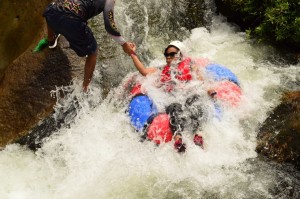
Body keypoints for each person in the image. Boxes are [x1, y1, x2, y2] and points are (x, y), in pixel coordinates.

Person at [129, 41, 215, 152]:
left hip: (188, 96)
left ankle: (198, 135)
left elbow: (201, 81)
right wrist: (132, 53)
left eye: (172, 54)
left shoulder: (190, 67)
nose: (168, 57)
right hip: (174, 99)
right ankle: (178, 139)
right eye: (166, 54)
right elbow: (144, 71)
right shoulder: (161, 70)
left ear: (180, 55)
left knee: (195, 101)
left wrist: (209, 90)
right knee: (174, 107)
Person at [42, 0, 133, 92]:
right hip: (72, 20)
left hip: (51, 10)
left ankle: (51, 39)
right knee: (93, 51)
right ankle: (85, 87)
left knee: (56, 8)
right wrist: (124, 45)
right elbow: (110, 26)